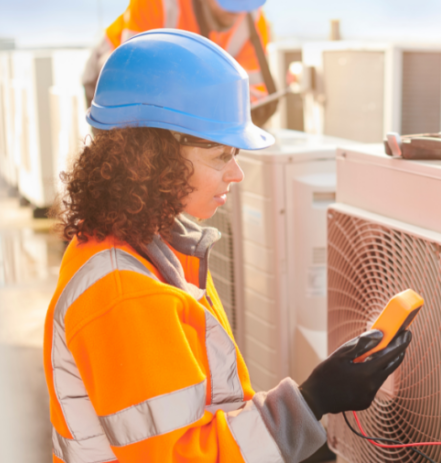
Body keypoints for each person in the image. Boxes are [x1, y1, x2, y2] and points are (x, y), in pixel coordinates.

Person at [45, 29, 412, 463]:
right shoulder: (124, 292)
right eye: (220, 155)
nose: (236, 173)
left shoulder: (150, 248)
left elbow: (207, 418)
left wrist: (302, 424)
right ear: (150, 158)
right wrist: (313, 400)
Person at [82, 0, 272, 106]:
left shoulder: (254, 19)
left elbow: (256, 92)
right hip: (110, 73)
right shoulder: (155, 3)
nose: (237, 9)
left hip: (189, 92)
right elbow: (131, 79)